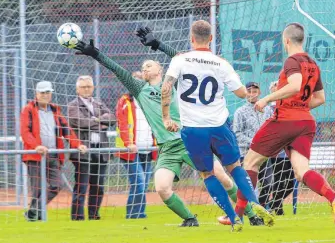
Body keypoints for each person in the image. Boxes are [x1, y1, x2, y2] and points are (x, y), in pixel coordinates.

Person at [70, 29, 261, 228]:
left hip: (189, 141)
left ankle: (252, 214)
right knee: (162, 187)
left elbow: (184, 59)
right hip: (167, 148)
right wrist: (96, 54)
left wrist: (158, 44)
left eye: (149, 65)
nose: (144, 68)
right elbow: (117, 69)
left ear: (160, 70)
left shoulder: (176, 81)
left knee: (222, 177)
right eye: (143, 67)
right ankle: (190, 219)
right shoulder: (139, 88)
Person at [161, 20, 274, 231]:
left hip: (193, 129)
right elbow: (241, 92)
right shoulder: (221, 63)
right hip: (219, 125)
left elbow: (166, 87)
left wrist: (166, 117)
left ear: (191, 39)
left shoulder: (180, 60)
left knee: (208, 174)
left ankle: (233, 217)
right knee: (235, 168)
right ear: (211, 39)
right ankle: (256, 205)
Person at [236, 22, 335, 223]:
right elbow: (320, 98)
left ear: (286, 40)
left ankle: (236, 216)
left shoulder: (292, 61)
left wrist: (267, 99)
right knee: (301, 172)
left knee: (250, 162)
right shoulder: (313, 64)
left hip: (284, 120)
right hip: (306, 123)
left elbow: (295, 84)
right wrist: (300, 107)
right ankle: (333, 198)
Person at [21, 81, 87, 221]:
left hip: (53, 155)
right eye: (43, 92)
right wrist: (36, 147)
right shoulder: (28, 110)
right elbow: (25, 132)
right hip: (35, 155)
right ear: (37, 94)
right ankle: (34, 218)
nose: (45, 95)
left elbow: (66, 130)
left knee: (57, 185)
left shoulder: (56, 110)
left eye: (48, 92)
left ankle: (32, 212)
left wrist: (77, 144)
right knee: (37, 190)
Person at [218, 82, 273, 226]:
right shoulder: (240, 112)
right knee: (249, 186)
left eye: (255, 90)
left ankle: (261, 209)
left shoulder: (268, 110)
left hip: (264, 154)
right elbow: (237, 133)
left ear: (259, 92)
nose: (252, 93)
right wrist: (254, 142)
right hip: (247, 154)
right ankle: (251, 215)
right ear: (245, 93)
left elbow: (273, 127)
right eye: (249, 90)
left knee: (268, 183)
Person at [68, 75, 115, 221]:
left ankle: (94, 215)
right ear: (77, 89)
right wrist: (100, 122)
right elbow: (79, 122)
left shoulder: (99, 104)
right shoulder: (73, 105)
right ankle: (78, 217)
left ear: (93, 87)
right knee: (81, 186)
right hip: (84, 151)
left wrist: (98, 119)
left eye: (89, 86)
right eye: (83, 87)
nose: (86, 89)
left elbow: (113, 118)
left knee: (98, 186)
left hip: (101, 150)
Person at [115, 71, 158, 219]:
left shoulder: (151, 100)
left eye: (141, 81)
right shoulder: (125, 101)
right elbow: (123, 124)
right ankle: (133, 214)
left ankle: (140, 213)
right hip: (131, 151)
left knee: (144, 184)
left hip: (147, 148)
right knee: (139, 182)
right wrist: (128, 143)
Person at [263, 81, 295, 215]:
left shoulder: (290, 107)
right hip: (277, 152)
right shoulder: (269, 109)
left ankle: (273, 203)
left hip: (290, 151)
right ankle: (278, 209)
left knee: (291, 182)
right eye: (275, 88)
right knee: (278, 180)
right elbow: (267, 127)